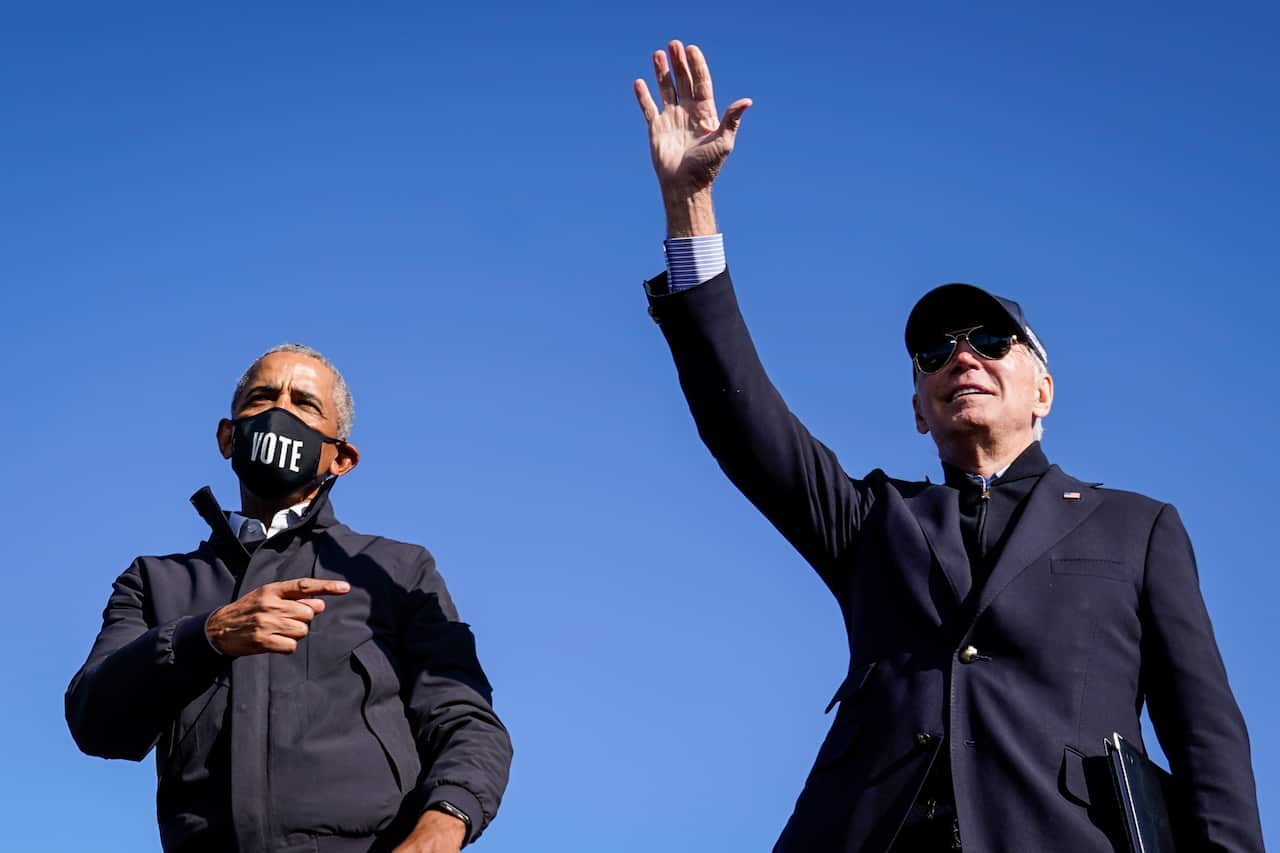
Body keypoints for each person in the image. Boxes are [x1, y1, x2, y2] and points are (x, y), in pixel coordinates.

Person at [633, 40, 1263, 852]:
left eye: (991, 340)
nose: (960, 356)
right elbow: (741, 418)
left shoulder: (1136, 529)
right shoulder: (871, 521)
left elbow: (1207, 738)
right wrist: (692, 208)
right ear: (918, 411)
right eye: (934, 352)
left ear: (1044, 391)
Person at [67, 343, 512, 853]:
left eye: (304, 403)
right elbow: (94, 722)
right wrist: (205, 637)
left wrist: (441, 826)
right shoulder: (155, 581)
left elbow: (467, 722)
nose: (279, 412)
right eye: (261, 397)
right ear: (227, 437)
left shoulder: (397, 571)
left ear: (340, 457)